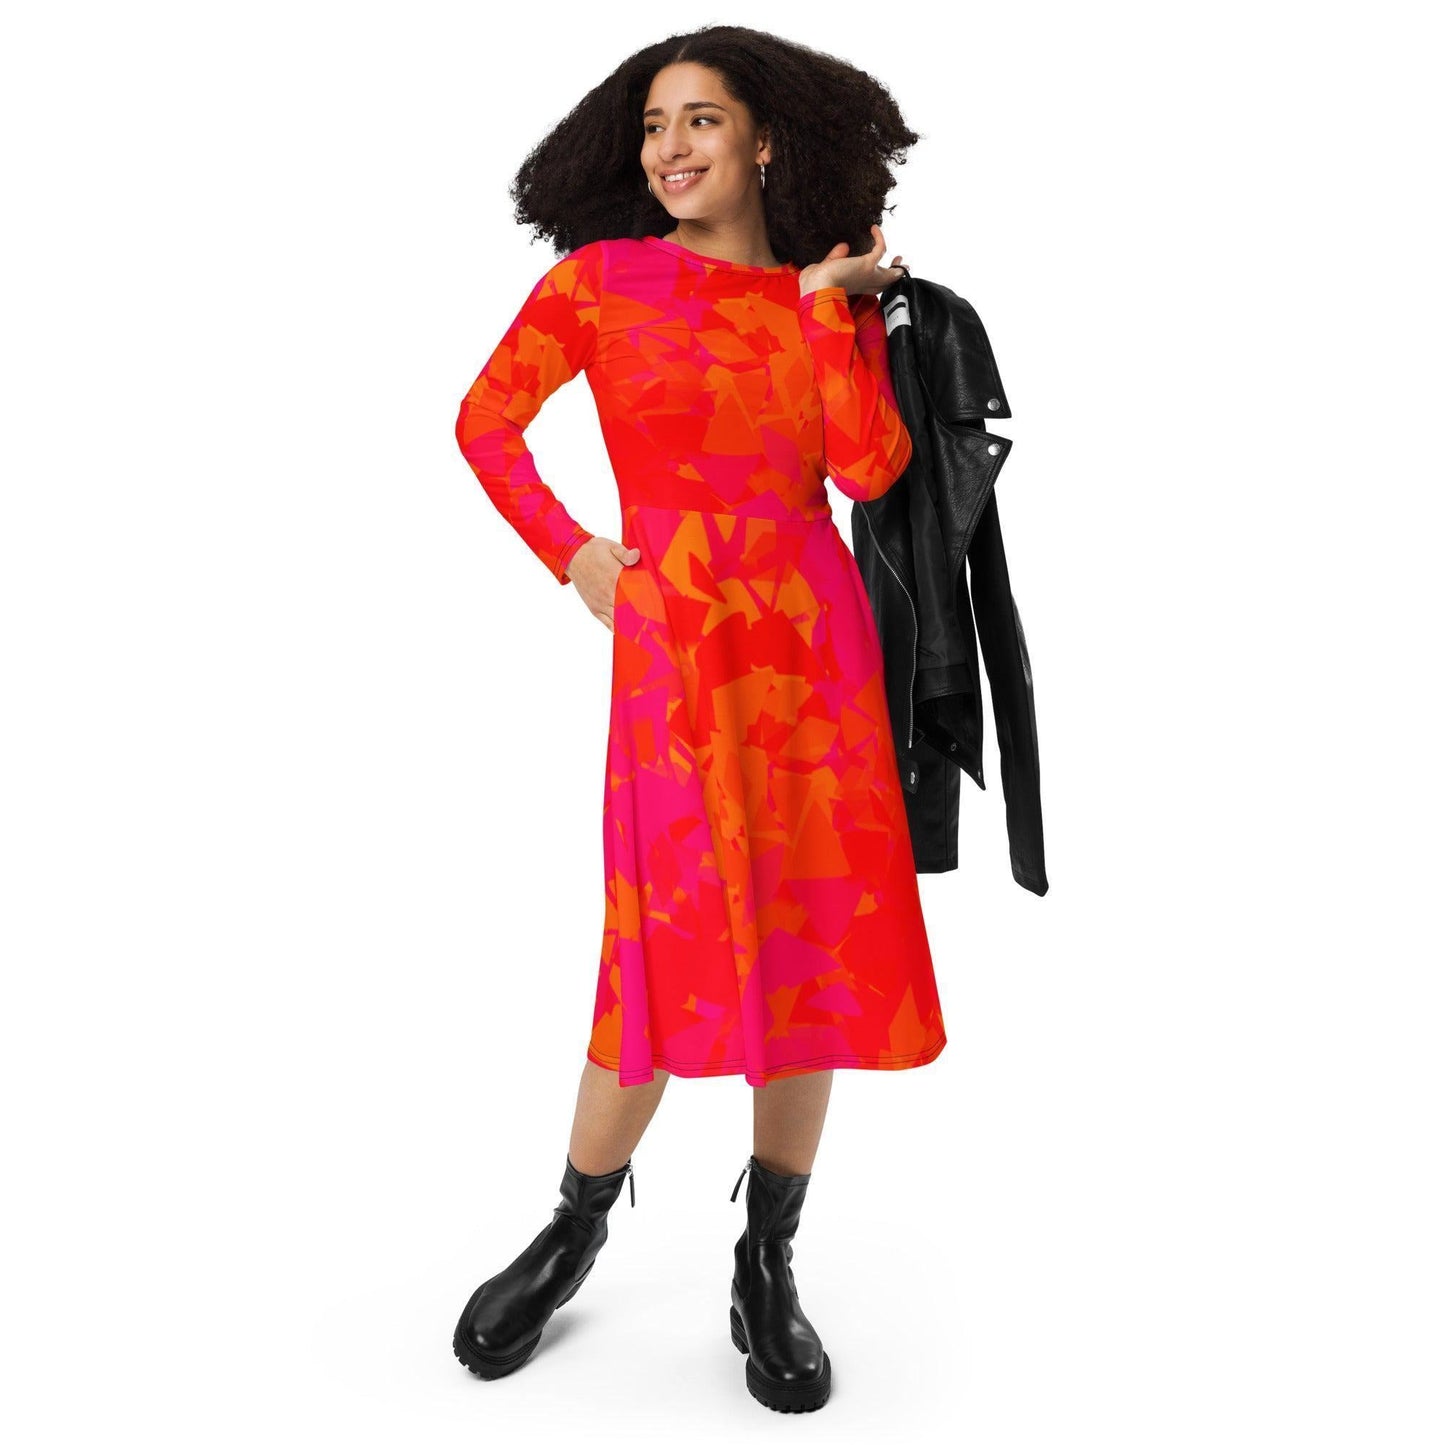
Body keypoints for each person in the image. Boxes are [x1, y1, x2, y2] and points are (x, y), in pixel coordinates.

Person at [450, 25, 946, 1412]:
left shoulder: (817, 294)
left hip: (814, 651)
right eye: (655, 125)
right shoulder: (601, 284)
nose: (670, 148)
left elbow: (869, 465)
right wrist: (575, 554)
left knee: (807, 947)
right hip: (678, 656)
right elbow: (484, 422)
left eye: (702, 121)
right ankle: (574, 1225)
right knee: (654, 948)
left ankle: (765, 1256)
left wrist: (828, 307)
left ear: (765, 140)